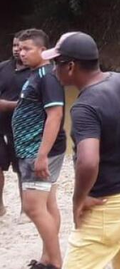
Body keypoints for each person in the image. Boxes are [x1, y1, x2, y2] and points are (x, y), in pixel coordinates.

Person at [45, 32, 120, 269]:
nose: (53, 70)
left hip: (109, 201)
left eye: (56, 63)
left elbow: (88, 162)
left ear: (71, 66)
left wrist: (78, 199)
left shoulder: (84, 107)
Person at [13, 28, 66, 269]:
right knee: (47, 205)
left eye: (27, 49)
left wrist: (42, 155)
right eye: (20, 48)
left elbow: (55, 115)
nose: (21, 53)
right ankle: (47, 257)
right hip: (31, 148)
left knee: (33, 207)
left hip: (39, 150)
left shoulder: (47, 77)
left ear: (43, 51)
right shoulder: (37, 74)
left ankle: (54, 262)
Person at [0, 31, 32, 218]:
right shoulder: (2, 68)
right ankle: (0, 207)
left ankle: (25, 209)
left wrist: (7, 105)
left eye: (21, 47)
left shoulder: (37, 73)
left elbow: (40, 103)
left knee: (23, 170)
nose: (17, 50)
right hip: (0, 127)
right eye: (14, 46)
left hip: (23, 129)